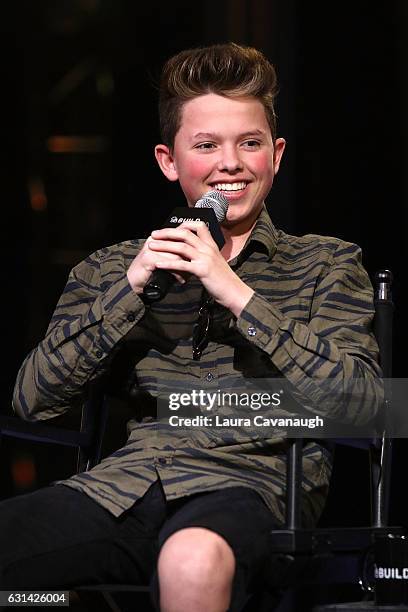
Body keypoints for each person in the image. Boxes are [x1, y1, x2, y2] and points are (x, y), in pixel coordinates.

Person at [2, 43, 382, 611]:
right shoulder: (112, 268)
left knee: (189, 558)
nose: (230, 164)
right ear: (169, 160)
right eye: (206, 145)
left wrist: (235, 292)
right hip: (122, 490)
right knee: (29, 586)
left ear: (275, 155)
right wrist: (129, 291)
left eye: (249, 143)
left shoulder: (326, 263)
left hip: (248, 488)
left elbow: (371, 407)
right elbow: (32, 401)